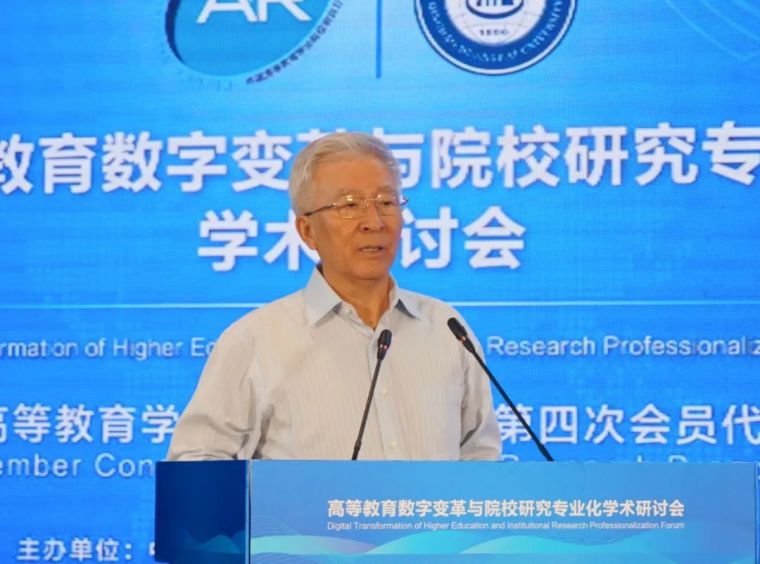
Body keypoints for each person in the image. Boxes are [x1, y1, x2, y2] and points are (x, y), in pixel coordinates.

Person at [167, 132, 501, 461]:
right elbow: (196, 463)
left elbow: (480, 458)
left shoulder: (446, 329)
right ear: (307, 231)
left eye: (386, 202)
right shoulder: (256, 341)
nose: (374, 222)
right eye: (350, 205)